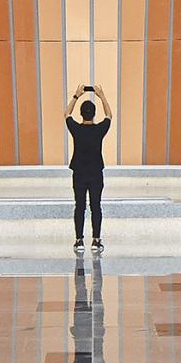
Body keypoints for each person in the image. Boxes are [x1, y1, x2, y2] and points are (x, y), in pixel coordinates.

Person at [65, 82, 111, 248]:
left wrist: (76, 95)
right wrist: (101, 96)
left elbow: (66, 114)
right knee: (96, 206)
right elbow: (109, 116)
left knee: (80, 206)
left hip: (79, 173)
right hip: (96, 173)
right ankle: (96, 240)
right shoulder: (99, 130)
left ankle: (79, 240)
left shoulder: (76, 129)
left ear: (81, 114)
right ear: (94, 114)